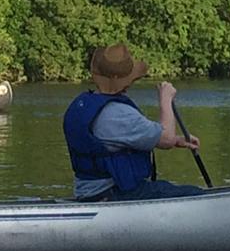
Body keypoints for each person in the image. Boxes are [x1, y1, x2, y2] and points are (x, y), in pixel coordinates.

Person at [63, 43, 203, 202]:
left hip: (89, 193)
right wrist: (166, 99)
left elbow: (125, 139)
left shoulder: (82, 104)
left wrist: (178, 140)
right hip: (117, 193)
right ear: (118, 80)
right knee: (195, 194)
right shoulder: (117, 113)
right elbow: (166, 139)